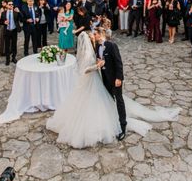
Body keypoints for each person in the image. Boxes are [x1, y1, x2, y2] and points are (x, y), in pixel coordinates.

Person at [46, 27, 179, 148]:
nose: (94, 36)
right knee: (109, 100)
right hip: (104, 80)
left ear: (100, 34)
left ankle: (122, 126)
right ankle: (111, 120)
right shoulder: (96, 46)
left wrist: (119, 78)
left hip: (114, 79)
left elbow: (118, 63)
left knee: (119, 100)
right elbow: (95, 62)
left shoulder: (111, 46)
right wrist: (98, 64)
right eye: (93, 35)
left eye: (95, 34)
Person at [0, 1, 19, 65]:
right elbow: (0, 21)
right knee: (7, 46)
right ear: (7, 5)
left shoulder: (16, 12)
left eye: (12, 4)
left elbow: (21, 18)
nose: (11, 5)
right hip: (7, 31)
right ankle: (7, 59)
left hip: (14, 31)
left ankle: (13, 58)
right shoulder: (3, 13)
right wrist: (4, 22)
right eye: (10, 4)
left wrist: (19, 12)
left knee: (14, 45)